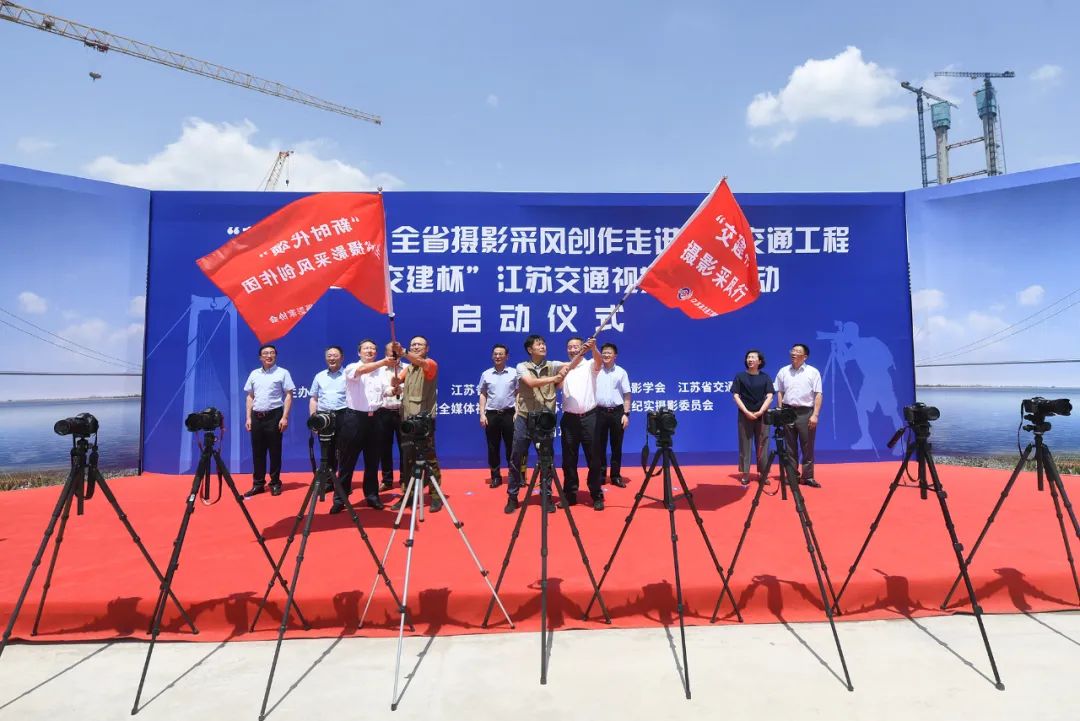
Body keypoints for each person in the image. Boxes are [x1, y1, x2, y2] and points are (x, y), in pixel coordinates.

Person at [505, 334, 572, 514]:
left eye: (543, 344)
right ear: (530, 349)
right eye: (538, 344)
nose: (543, 346)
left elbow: (572, 364)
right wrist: (555, 378)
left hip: (545, 420)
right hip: (525, 418)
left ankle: (546, 497)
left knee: (546, 460)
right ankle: (512, 497)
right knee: (516, 457)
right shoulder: (521, 367)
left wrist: (581, 351)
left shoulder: (552, 364)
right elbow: (531, 382)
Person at [338, 339, 397, 513]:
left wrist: (394, 390)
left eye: (372, 348)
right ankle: (340, 498)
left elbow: (386, 390)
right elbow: (361, 371)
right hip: (355, 419)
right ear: (359, 352)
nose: (369, 351)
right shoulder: (352, 367)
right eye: (366, 348)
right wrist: (384, 362)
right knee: (347, 461)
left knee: (373, 461)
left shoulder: (381, 372)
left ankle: (372, 496)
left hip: (376, 419)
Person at [390, 335, 444, 512]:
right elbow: (397, 381)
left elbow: (421, 363)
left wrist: (404, 352)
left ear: (427, 348)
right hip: (407, 420)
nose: (415, 347)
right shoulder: (409, 368)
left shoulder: (430, 364)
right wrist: (395, 383)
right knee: (408, 460)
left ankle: (435, 496)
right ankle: (409, 495)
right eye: (412, 344)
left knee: (429, 459)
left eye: (419, 345)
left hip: (423, 422)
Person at [560, 336, 605, 510]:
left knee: (594, 459)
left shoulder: (590, 365)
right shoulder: (564, 368)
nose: (573, 350)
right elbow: (556, 384)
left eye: (576, 347)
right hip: (569, 419)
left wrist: (593, 348)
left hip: (589, 418)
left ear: (582, 348)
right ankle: (570, 494)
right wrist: (564, 371)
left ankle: (596, 494)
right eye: (570, 347)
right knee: (568, 459)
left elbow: (599, 362)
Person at [243, 344, 294, 498]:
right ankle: (258, 484)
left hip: (274, 415)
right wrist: (248, 417)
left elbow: (289, 395)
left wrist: (284, 417)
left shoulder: (283, 373)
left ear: (275, 355)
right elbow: (250, 396)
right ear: (260, 357)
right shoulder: (254, 374)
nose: (269, 356)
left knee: (274, 451)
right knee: (257, 452)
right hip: (256, 416)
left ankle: (275, 483)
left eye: (272, 353)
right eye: (265, 353)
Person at [774, 343, 823, 488]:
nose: (794, 353)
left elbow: (818, 394)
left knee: (807, 446)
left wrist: (815, 415)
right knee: (789, 446)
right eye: (793, 350)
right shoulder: (783, 371)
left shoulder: (813, 372)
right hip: (788, 411)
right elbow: (780, 392)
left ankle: (808, 477)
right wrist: (780, 410)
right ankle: (792, 476)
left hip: (805, 412)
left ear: (805, 356)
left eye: (797, 351)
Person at [478, 343, 518, 488]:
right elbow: (483, 394)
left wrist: (518, 412)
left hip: (509, 414)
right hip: (492, 414)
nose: (498, 356)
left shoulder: (514, 373)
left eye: (501, 354)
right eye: (495, 354)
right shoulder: (486, 374)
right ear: (492, 356)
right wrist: (482, 414)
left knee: (512, 446)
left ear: (507, 356)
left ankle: (514, 476)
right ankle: (495, 476)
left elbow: (518, 393)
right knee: (493, 446)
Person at [731, 349, 774, 486]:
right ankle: (745, 473)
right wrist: (746, 411)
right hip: (745, 415)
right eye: (748, 357)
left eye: (753, 357)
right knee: (745, 444)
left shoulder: (765, 377)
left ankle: (763, 473)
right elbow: (736, 396)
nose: (750, 359)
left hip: (762, 415)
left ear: (759, 361)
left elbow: (770, 396)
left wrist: (761, 411)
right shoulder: (740, 376)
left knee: (763, 444)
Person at [595, 342, 631, 489]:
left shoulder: (621, 372)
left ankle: (615, 476)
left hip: (617, 412)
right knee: (599, 446)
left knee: (616, 446)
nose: (606, 355)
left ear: (615, 355)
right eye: (604, 352)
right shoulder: (596, 370)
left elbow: (627, 395)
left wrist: (626, 414)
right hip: (599, 412)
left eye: (609, 352)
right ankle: (601, 475)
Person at [308, 345, 348, 478]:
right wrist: (314, 419)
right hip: (324, 417)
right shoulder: (319, 376)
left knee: (344, 450)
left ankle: (342, 481)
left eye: (335, 355)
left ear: (342, 358)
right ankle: (329, 481)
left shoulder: (348, 375)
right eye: (329, 356)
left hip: (343, 415)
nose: (332, 358)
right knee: (326, 450)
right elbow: (314, 398)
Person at [376, 341, 404, 491]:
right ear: (385, 354)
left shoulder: (407, 368)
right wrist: (391, 390)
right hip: (384, 412)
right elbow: (377, 390)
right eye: (390, 352)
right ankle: (387, 480)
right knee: (384, 447)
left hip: (402, 411)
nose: (394, 354)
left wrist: (401, 389)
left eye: (396, 352)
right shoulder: (378, 370)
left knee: (405, 447)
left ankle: (405, 479)